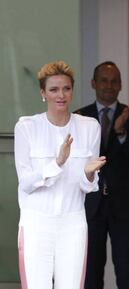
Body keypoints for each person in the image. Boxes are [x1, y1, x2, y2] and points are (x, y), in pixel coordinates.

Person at [14, 61, 106, 289]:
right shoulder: (27, 127)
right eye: (54, 89)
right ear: (43, 93)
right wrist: (57, 163)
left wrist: (88, 174)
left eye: (66, 88)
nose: (61, 95)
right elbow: (26, 183)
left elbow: (90, 186)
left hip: (73, 221)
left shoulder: (89, 127)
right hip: (36, 222)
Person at [75, 61, 129, 289]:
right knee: (90, 275)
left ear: (121, 85)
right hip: (90, 205)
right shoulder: (79, 117)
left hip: (124, 206)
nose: (109, 85)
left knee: (126, 274)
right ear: (93, 83)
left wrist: (120, 131)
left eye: (114, 80)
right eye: (104, 80)